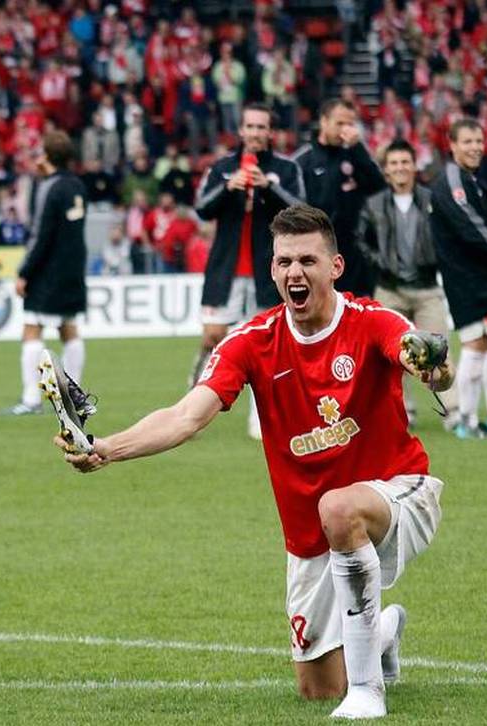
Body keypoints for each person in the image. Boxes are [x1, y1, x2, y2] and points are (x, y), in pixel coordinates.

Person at [58, 205, 453, 720]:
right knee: (315, 688)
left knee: (338, 508)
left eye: (308, 260)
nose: (295, 272)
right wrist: (107, 448)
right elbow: (185, 417)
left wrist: (434, 371)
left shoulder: (372, 320)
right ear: (271, 270)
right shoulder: (250, 342)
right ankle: (381, 631)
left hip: (400, 490)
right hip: (312, 531)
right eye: (284, 261)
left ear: (335, 267)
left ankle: (367, 692)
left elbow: (419, 357)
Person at [193, 104, 304, 438]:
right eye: (250, 127)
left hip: (267, 272)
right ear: (240, 131)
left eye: (262, 127)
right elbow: (201, 208)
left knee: (267, 344)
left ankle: (261, 418)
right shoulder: (223, 168)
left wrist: (268, 187)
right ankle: (191, 405)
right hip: (225, 270)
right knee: (212, 336)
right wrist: (229, 188)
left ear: (270, 132)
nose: (255, 133)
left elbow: (302, 209)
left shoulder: (284, 168)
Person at [355, 139, 457, 430]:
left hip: (426, 287)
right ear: (386, 170)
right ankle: (403, 411)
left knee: (439, 348)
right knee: (390, 355)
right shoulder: (373, 203)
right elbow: (361, 239)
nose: (400, 168)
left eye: (405, 162)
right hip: (389, 288)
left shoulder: (432, 200)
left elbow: (447, 238)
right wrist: (379, 261)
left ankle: (453, 410)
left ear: (414, 166)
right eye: (394, 163)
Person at [428, 120, 487, 438]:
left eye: (479, 140)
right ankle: (467, 420)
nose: (476, 147)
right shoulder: (452, 180)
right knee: (476, 342)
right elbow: (471, 226)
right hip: (466, 279)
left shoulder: (473, 182)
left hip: (484, 276)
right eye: (467, 141)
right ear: (451, 144)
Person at [8, 130, 89, 416]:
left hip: (49, 272)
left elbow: (41, 234)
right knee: (69, 329)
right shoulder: (77, 186)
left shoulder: (49, 188)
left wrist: (25, 272)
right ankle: (75, 395)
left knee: (32, 329)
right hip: (74, 269)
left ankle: (31, 400)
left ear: (47, 156)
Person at [293, 98, 386, 297]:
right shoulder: (303, 160)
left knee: (357, 318)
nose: (345, 129)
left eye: (350, 124)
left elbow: (379, 187)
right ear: (324, 121)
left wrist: (358, 148)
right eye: (340, 123)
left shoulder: (355, 155)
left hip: (354, 254)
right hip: (316, 251)